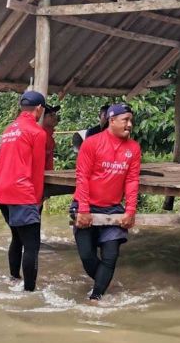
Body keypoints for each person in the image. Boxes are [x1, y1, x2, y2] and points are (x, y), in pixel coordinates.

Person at [70, 103, 141, 301]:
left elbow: (132, 180)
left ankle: (95, 299)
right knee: (87, 257)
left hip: (113, 209)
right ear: (112, 120)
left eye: (131, 121)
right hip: (86, 205)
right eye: (125, 120)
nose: (129, 125)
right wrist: (83, 209)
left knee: (110, 257)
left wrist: (130, 210)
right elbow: (82, 176)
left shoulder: (133, 148)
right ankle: (105, 282)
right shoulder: (92, 143)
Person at [0, 91, 47, 291]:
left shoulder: (9, 129)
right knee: (32, 245)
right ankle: (29, 292)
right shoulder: (37, 132)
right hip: (22, 192)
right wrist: (38, 199)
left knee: (17, 237)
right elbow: (37, 170)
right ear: (39, 109)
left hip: (1, 191)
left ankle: (14, 278)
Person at [41, 104, 60, 170]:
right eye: (51, 115)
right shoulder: (41, 136)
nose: (55, 117)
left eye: (55, 114)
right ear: (42, 118)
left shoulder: (49, 136)